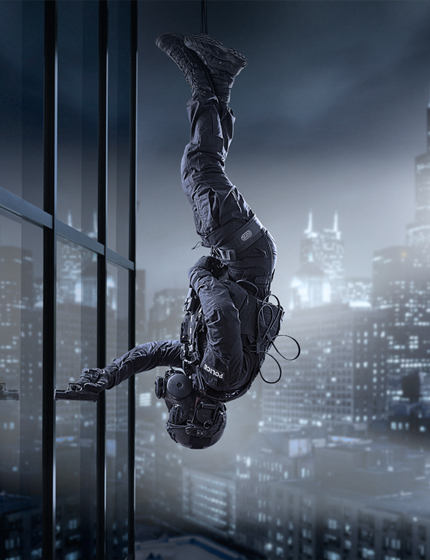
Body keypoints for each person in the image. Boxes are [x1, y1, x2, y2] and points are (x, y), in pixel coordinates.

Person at [55, 33, 281, 450]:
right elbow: (221, 317)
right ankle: (204, 79)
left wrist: (111, 374)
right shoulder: (222, 376)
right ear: (196, 414)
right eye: (177, 412)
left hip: (242, 256)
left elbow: (156, 352)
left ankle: (221, 76)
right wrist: (198, 277)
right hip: (241, 254)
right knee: (199, 169)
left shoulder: (208, 375)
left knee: (204, 169)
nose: (171, 400)